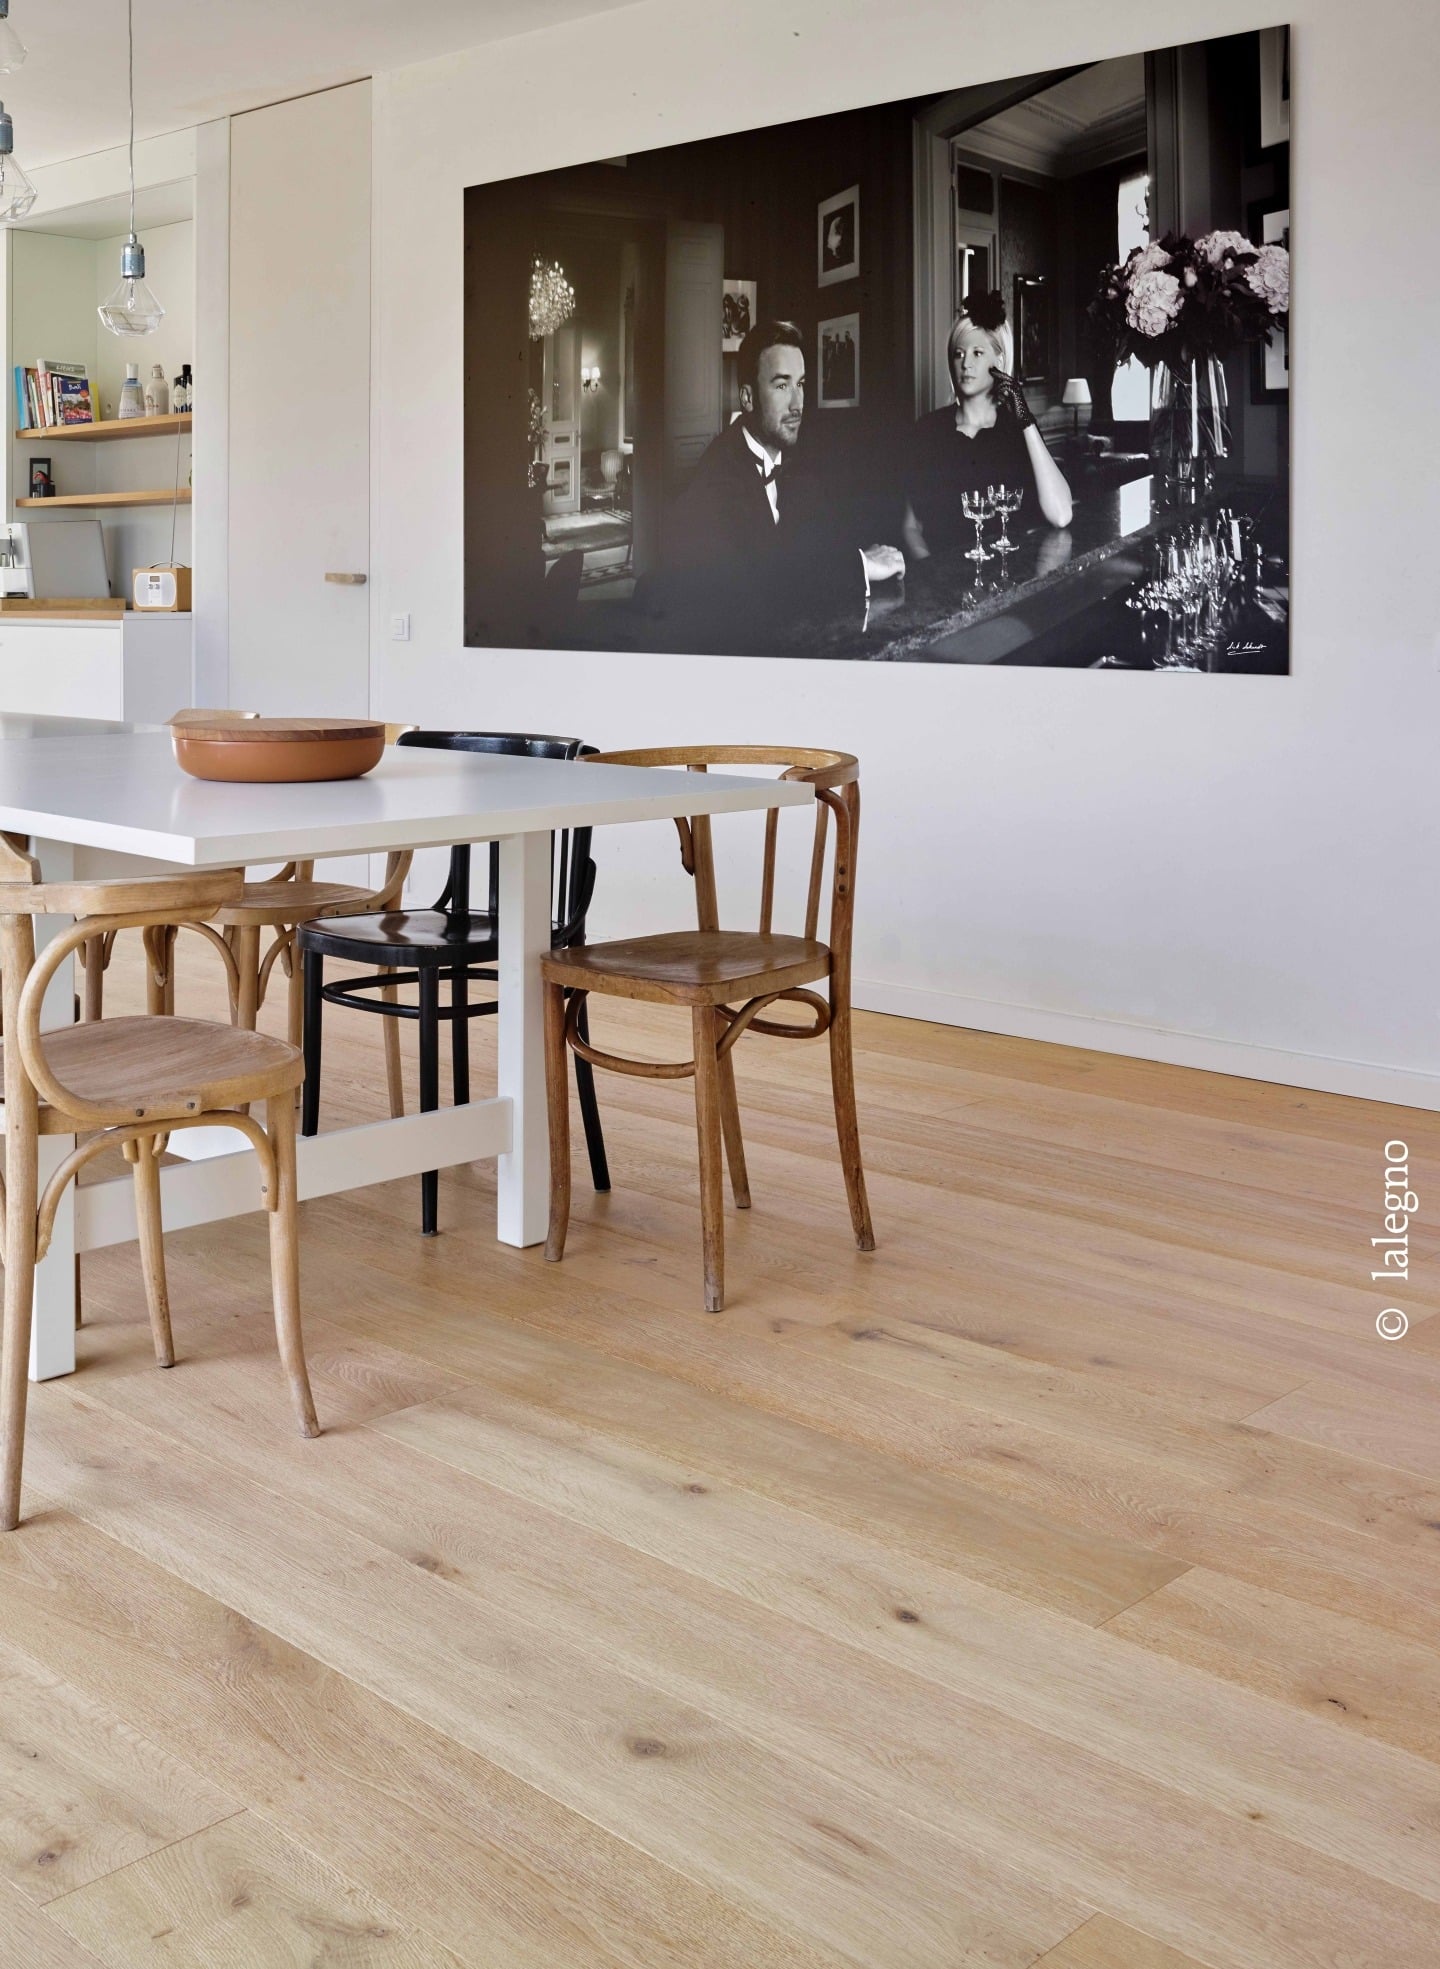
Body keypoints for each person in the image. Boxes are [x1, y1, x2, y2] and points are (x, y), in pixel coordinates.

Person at [645, 318, 903, 651]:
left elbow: (825, 541)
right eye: (782, 386)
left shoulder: (799, 460)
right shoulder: (718, 473)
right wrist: (861, 566)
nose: (798, 403)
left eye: (801, 384)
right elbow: (762, 582)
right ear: (748, 398)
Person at [903, 292, 1072, 559]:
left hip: (1010, 581)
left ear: (999, 362)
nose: (965, 363)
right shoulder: (928, 430)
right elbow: (911, 527)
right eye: (958, 354)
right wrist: (932, 573)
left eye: (977, 353)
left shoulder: (1018, 430)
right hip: (944, 584)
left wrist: (1024, 417)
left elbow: (1061, 515)